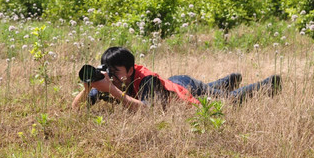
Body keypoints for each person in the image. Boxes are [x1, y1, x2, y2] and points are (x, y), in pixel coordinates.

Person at [72, 46, 281, 112]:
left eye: (116, 71)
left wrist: (113, 90)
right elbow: (75, 109)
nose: (112, 76)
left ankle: (267, 85)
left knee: (225, 101)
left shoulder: (147, 81)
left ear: (130, 69)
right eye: (109, 71)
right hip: (174, 82)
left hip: (182, 86)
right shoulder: (108, 82)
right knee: (210, 89)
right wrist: (88, 87)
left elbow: (147, 110)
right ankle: (226, 81)